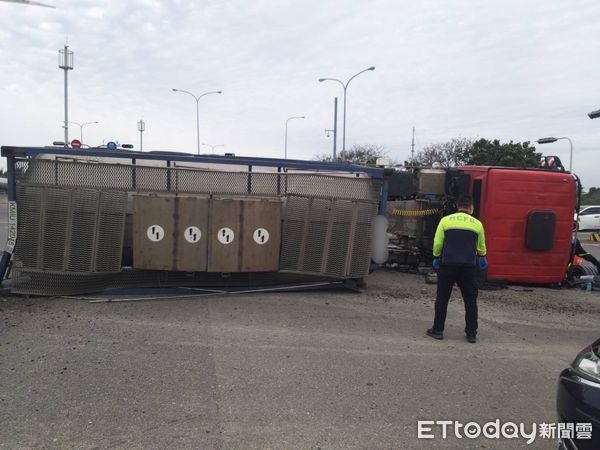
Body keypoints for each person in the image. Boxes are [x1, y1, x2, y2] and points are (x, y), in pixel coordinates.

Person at [427, 195, 487, 343]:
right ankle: (471, 333)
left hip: (448, 264)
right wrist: (482, 256)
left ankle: (438, 330)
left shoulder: (445, 221)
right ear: (471, 207)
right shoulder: (477, 224)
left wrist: (436, 257)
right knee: (470, 300)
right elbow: (481, 245)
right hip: (468, 266)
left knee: (442, 298)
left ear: (458, 206)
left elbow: (437, 243)